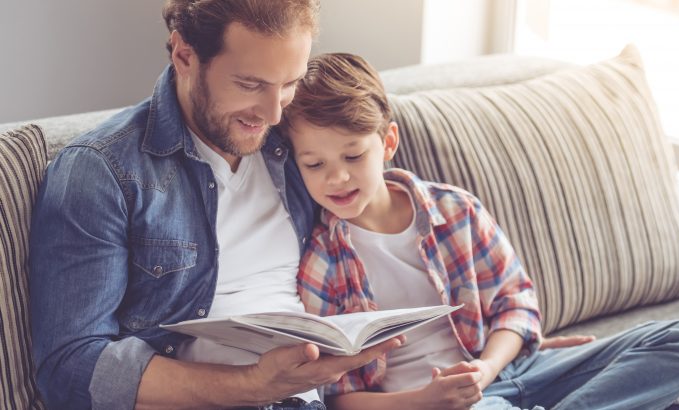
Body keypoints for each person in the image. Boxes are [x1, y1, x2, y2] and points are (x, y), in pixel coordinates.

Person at [280, 52, 679, 410]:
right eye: (315, 165)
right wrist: (426, 399)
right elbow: (336, 396)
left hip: (509, 371)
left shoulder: (456, 210)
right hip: (432, 404)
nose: (337, 178)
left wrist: (487, 368)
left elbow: (516, 306)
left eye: (353, 156)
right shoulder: (321, 264)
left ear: (388, 142)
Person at [28, 2, 404, 409]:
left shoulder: (296, 142)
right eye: (250, 84)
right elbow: (70, 367)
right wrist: (255, 385)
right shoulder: (102, 171)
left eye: (290, 83)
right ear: (184, 56)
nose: (274, 112)